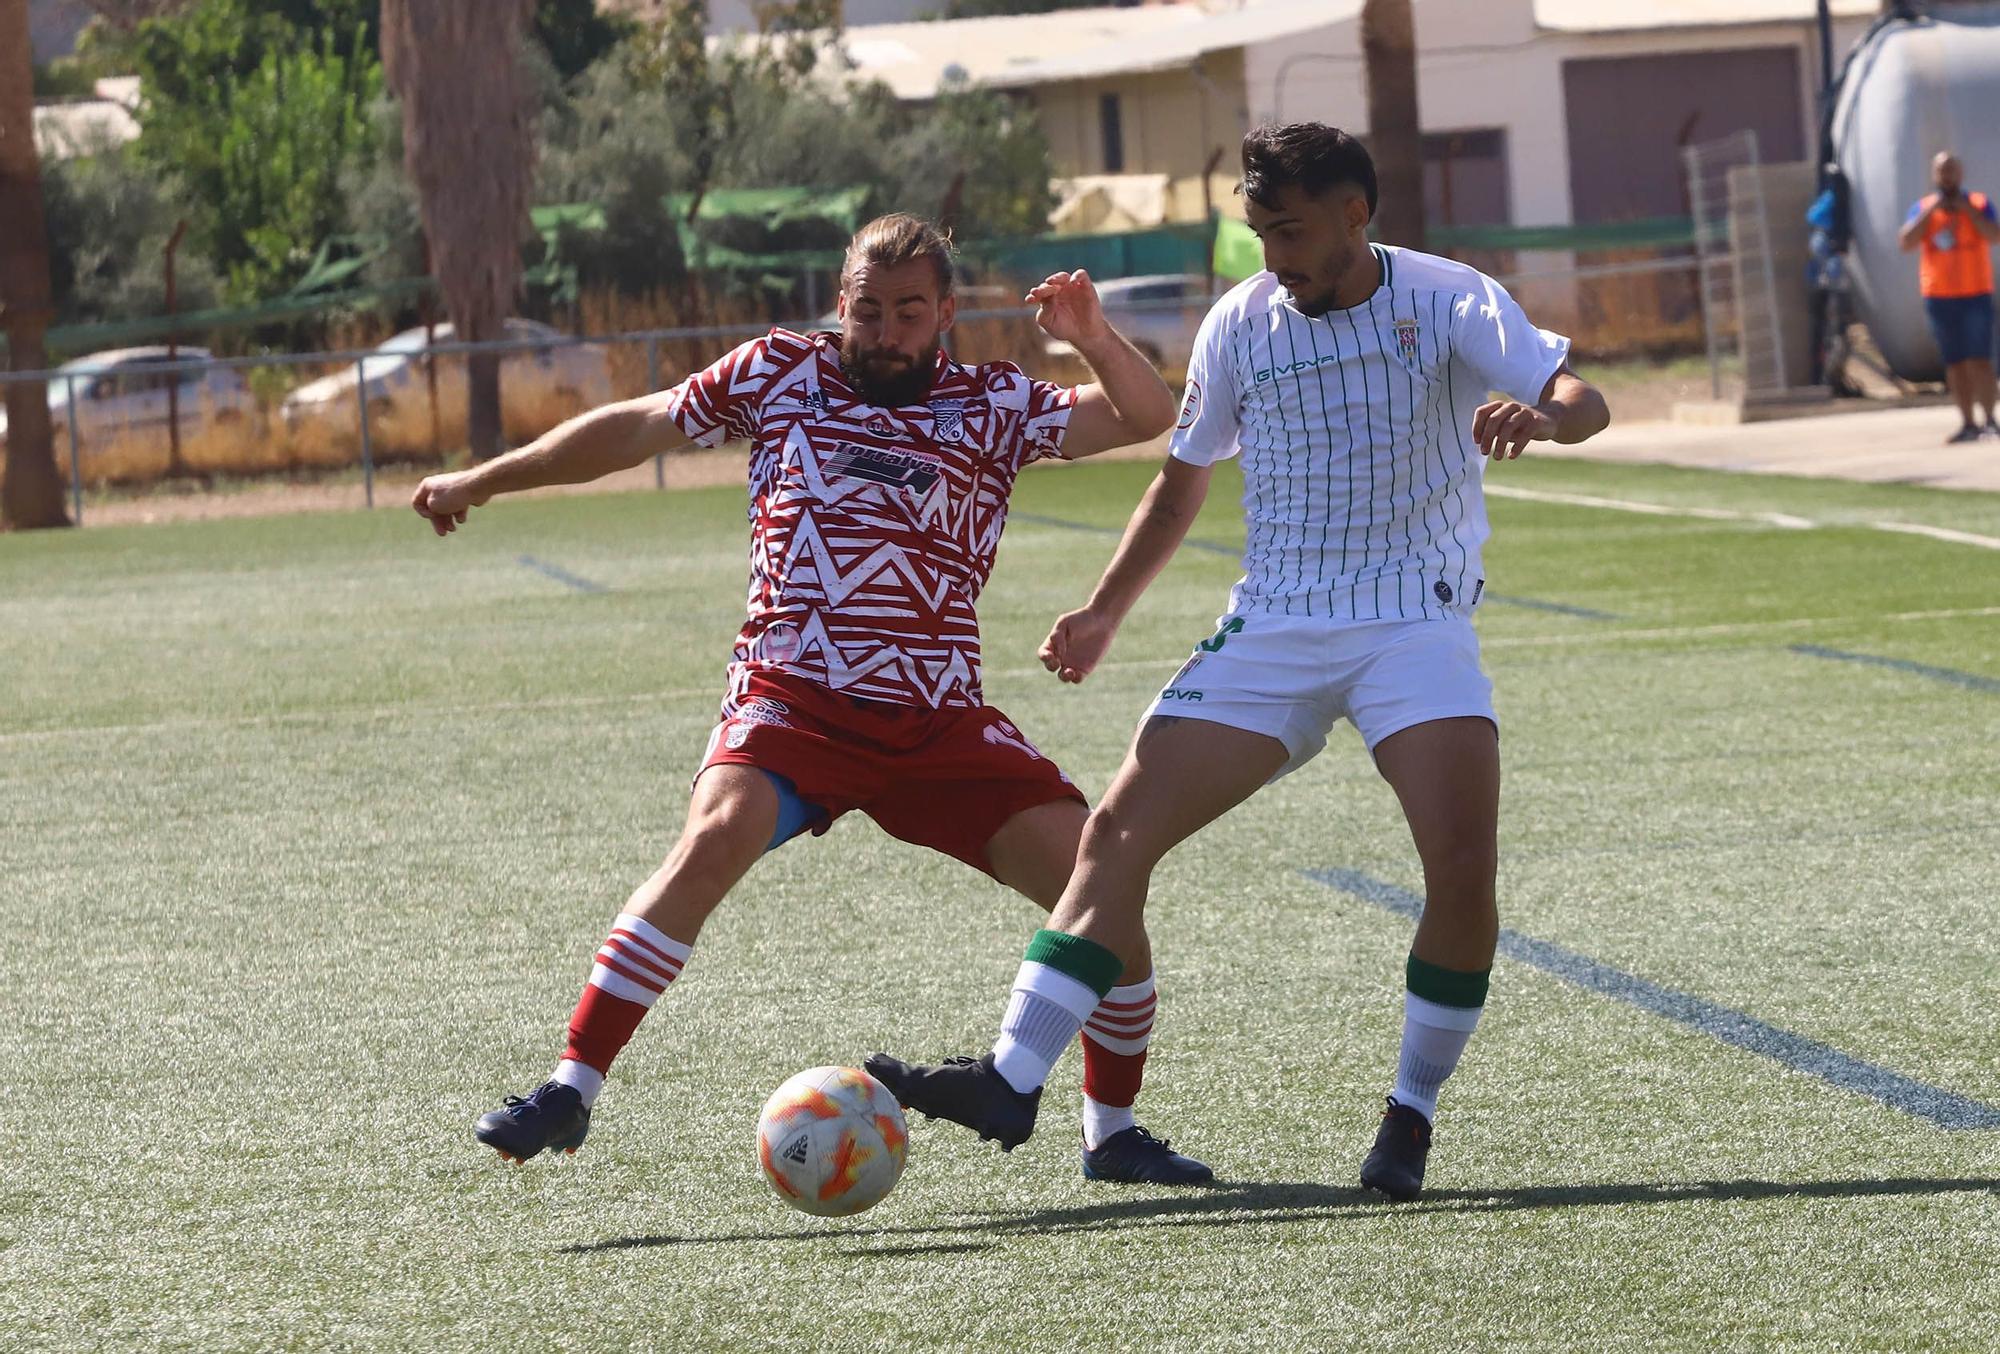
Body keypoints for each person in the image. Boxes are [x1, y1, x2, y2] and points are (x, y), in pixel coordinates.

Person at [867, 125, 1610, 1201]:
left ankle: (1409, 1113)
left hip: (1415, 624)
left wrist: (1540, 413)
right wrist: (1102, 610)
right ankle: (1011, 1079)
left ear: (1357, 215)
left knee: (1458, 869)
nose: (1273, 254)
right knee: (1115, 831)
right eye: (1260, 231)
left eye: (1292, 230)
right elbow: (1180, 481)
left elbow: (1583, 398)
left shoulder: (1448, 298)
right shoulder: (1241, 322)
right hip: (1273, 626)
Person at [411, 214, 1214, 1185]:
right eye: (866, 309)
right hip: (793, 704)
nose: (883, 331)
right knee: (712, 835)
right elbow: (632, 427)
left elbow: (1140, 415)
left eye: (907, 311)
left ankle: (1112, 1133)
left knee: (1104, 891)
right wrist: (483, 480)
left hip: (936, 723)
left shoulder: (991, 401)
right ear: (840, 302)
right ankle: (570, 1086)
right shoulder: (779, 372)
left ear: (946, 313)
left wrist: (1089, 332)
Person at [1899, 151, 1999, 443]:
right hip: (1940, 295)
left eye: (1952, 170)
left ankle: (1991, 420)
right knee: (1954, 362)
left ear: (1961, 173)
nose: (1947, 176)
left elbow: (1993, 234)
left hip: (1975, 293)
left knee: (1980, 358)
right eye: (1942, 171)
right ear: (1934, 175)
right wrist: (1934, 212)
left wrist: (1966, 209)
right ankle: (1968, 423)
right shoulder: (1924, 207)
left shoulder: (1979, 203)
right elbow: (1906, 241)